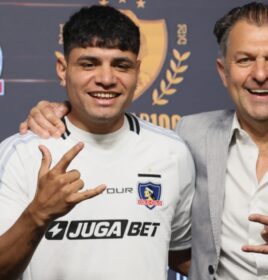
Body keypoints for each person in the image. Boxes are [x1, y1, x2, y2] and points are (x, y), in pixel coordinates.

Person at [19, 2, 268, 280]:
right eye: (244, 59)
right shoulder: (187, 137)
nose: (259, 73)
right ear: (224, 71)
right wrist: (56, 109)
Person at [0, 5, 194, 280]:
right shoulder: (23, 153)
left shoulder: (172, 151)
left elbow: (180, 254)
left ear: (137, 71)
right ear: (63, 69)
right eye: (89, 64)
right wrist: (37, 215)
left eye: (121, 65)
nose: (106, 79)